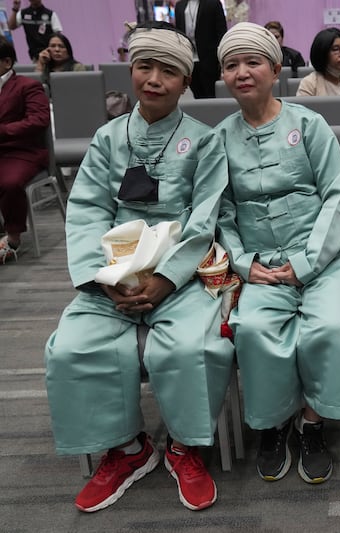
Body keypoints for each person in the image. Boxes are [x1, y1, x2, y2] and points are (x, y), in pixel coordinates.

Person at [44, 22, 234, 513]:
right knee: (71, 349)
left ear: (185, 81)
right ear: (131, 70)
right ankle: (127, 449)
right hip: (112, 277)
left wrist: (166, 279)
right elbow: (86, 213)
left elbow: (204, 219)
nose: (153, 79)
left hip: (180, 274)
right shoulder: (107, 139)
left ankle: (185, 446)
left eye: (168, 71)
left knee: (193, 345)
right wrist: (106, 282)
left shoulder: (206, 142)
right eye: (144, 66)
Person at [214, 22, 340, 485]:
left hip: (319, 260)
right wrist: (244, 265)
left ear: (276, 67)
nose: (242, 72)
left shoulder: (309, 124)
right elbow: (221, 213)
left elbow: (335, 196)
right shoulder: (219, 138)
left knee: (331, 326)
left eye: (253, 62)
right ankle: (273, 423)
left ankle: (311, 423)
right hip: (261, 266)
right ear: (223, 75)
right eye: (231, 65)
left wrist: (306, 262)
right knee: (256, 328)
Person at [0, 35, 50, 263]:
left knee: (10, 182)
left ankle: (13, 237)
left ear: (7, 62)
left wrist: (4, 130)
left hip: (23, 151)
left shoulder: (27, 86)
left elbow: (39, 120)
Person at [175, 0, 227, 98]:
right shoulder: (180, 6)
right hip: (189, 57)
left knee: (211, 92)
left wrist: (220, 58)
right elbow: (179, 32)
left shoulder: (213, 3)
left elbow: (221, 31)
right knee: (196, 92)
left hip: (209, 57)